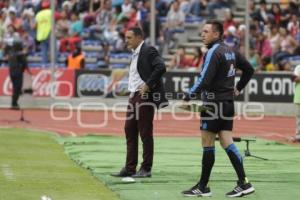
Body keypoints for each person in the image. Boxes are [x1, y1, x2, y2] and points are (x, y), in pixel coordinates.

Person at [181, 20, 255, 197]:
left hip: (213, 105)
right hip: (228, 103)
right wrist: (238, 88)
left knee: (207, 144)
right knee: (226, 142)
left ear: (216, 34)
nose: (202, 34)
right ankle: (244, 183)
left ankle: (203, 187)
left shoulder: (213, 51)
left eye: (206, 31)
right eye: (202, 31)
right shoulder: (231, 50)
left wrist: (188, 95)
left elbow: (204, 79)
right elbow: (249, 69)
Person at [111, 26, 168, 178]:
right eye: (126, 37)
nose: (126, 40)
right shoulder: (135, 53)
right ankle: (130, 168)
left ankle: (146, 168)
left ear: (138, 37)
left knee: (145, 133)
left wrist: (148, 84)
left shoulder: (148, 50)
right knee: (129, 130)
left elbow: (161, 67)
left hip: (145, 97)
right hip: (134, 96)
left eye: (129, 38)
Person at [3, 39, 29, 110]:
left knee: (15, 88)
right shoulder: (20, 54)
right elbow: (24, 64)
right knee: (17, 89)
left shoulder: (11, 53)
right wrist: (23, 70)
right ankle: (14, 104)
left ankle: (14, 103)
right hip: (18, 72)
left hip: (11, 72)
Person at [292, 64, 300, 142]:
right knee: (298, 117)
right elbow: (294, 79)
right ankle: (298, 136)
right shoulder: (298, 67)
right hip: (298, 96)